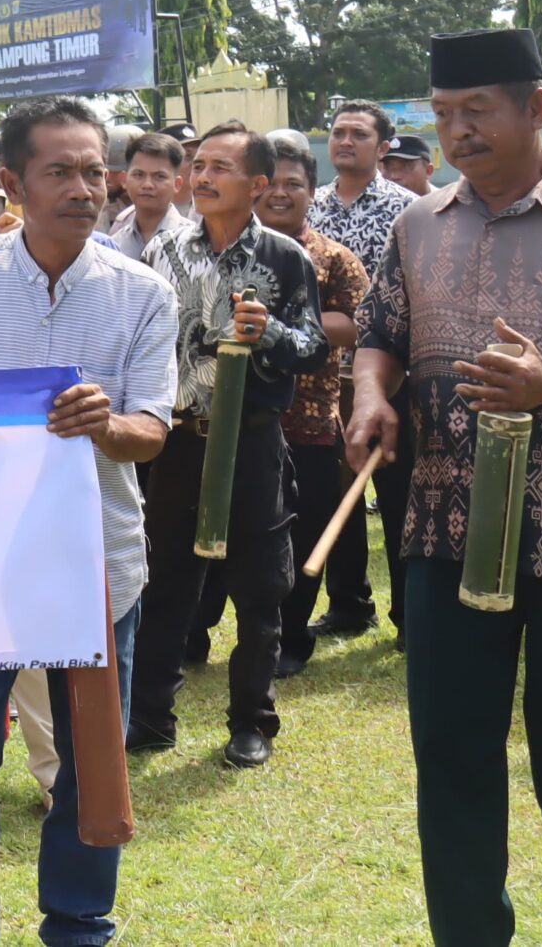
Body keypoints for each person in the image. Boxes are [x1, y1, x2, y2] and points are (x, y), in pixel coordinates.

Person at [347, 28, 542, 947]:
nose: (457, 131)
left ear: (537, 108)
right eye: (443, 114)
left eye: (477, 111)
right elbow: (378, 336)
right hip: (443, 527)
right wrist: (371, 398)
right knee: (451, 749)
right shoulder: (418, 224)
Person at [0, 96, 176, 947]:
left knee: (93, 760)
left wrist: (105, 425)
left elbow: (152, 431)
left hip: (95, 565)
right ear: (10, 181)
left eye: (94, 171)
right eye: (60, 172)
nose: (84, 189)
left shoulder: (142, 292)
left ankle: (79, 924)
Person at [131, 123, 326, 767]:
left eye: (220, 167)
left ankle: (251, 722)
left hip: (252, 441)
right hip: (178, 442)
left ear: (258, 184)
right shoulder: (161, 251)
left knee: (259, 587)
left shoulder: (285, 257)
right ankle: (150, 716)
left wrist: (271, 333)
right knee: (163, 582)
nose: (203, 177)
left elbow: (314, 347)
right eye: (199, 165)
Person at [256, 142, 369, 678]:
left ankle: (291, 639)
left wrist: (282, 325)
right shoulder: (232, 250)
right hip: (237, 420)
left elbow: (359, 323)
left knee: (304, 535)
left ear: (311, 192)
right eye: (271, 183)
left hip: (310, 422)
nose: (280, 193)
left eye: (293, 185)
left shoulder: (333, 258)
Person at [309, 98, 416, 643]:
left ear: (384, 146)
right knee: (337, 493)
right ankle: (350, 604)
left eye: (358, 134)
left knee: (397, 494)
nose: (345, 141)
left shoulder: (410, 210)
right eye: (338, 132)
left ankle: (409, 615)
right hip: (327, 377)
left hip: (391, 374)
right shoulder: (311, 207)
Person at [102, 130, 190, 261]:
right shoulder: (114, 245)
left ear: (177, 184)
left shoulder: (195, 243)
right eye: (139, 175)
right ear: (124, 180)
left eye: (159, 176)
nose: (147, 184)